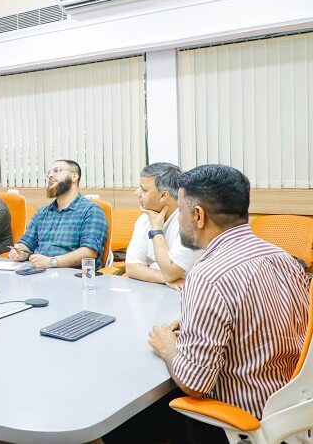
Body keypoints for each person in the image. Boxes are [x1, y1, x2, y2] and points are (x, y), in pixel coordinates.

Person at [148, 165, 309, 438]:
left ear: (198, 216)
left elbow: (194, 382)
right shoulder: (283, 257)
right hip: (290, 408)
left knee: (135, 421)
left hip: (240, 420)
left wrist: (167, 346)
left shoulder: (207, 276)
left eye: (182, 211)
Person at [8, 160, 107, 269]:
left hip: (72, 278)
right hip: (38, 273)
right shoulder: (42, 213)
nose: (50, 175)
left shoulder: (91, 211)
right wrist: (20, 252)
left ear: (74, 177)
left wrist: (51, 262)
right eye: (49, 173)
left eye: (57, 171)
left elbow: (89, 252)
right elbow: (27, 243)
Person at [125, 163, 203, 288]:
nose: (136, 193)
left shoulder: (192, 223)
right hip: (155, 290)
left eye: (144, 189)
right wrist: (165, 278)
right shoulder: (145, 219)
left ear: (163, 196)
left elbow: (171, 272)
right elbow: (132, 267)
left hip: (188, 294)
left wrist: (156, 229)